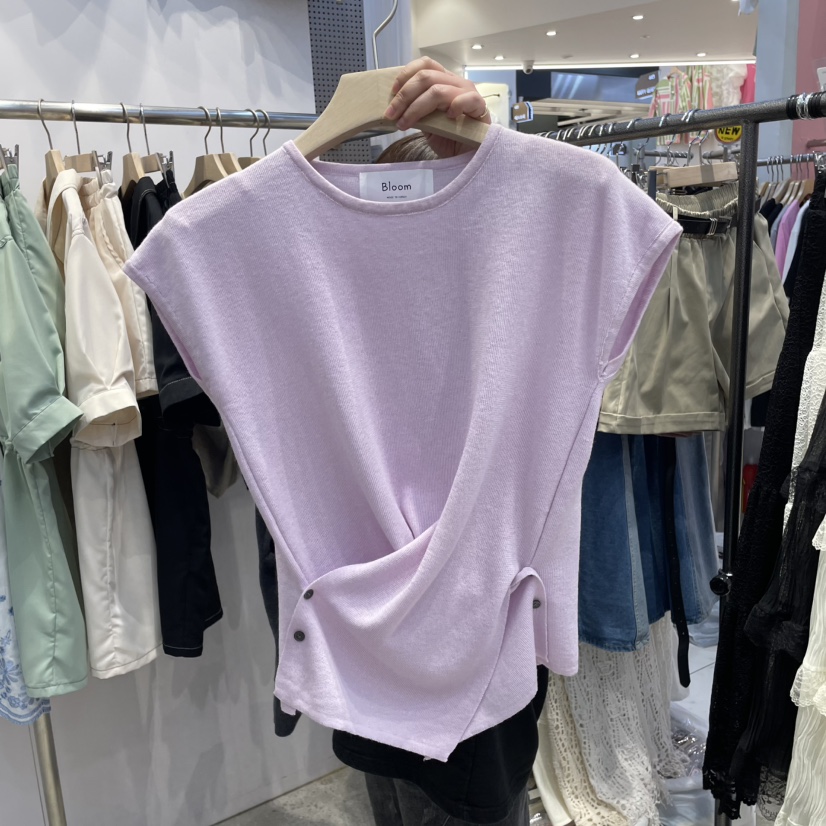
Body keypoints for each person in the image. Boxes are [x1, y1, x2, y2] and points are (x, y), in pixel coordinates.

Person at [338, 59, 539, 826]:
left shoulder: (516, 327)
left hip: (474, 690)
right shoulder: (344, 326)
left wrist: (488, 161)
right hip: (373, 680)